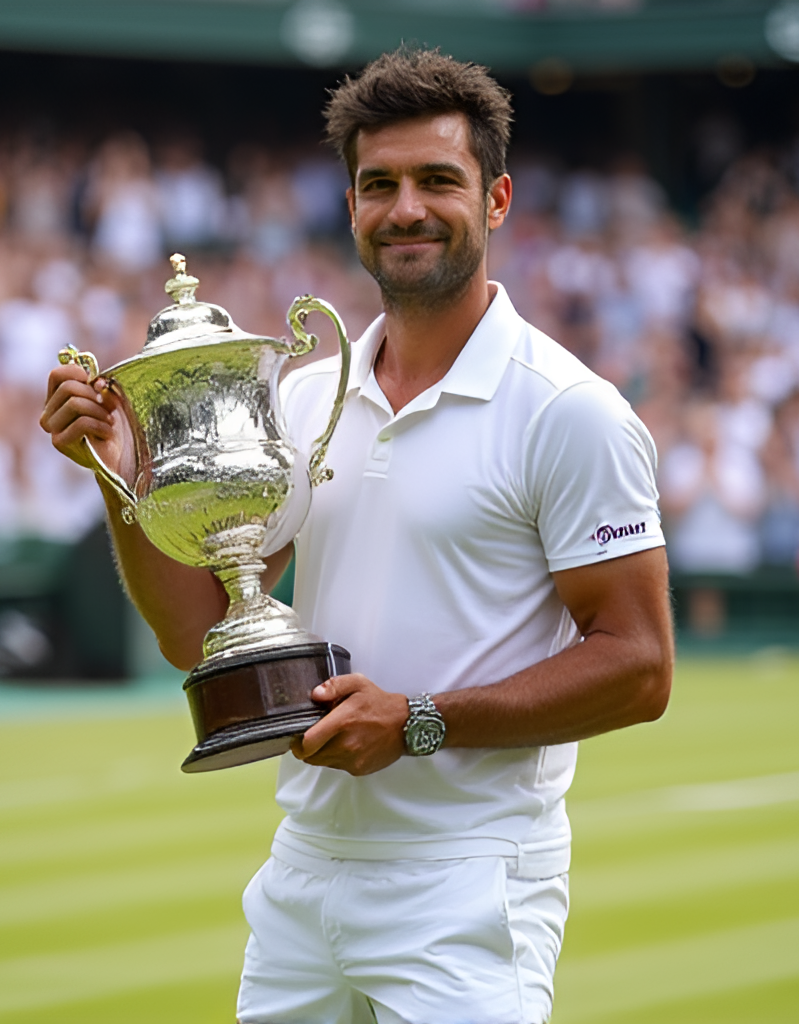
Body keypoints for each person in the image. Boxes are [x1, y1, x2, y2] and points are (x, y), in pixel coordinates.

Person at [40, 47, 673, 1024]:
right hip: (303, 869)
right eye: (378, 184)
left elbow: (639, 666)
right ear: (349, 206)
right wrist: (124, 476)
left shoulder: (569, 410)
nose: (405, 208)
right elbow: (194, 636)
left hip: (469, 879)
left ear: (496, 199)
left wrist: (419, 719)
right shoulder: (299, 395)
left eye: (437, 181)